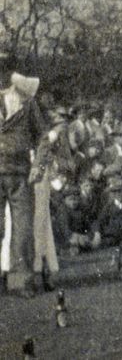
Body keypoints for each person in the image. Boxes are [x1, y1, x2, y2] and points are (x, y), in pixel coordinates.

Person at [0, 72, 49, 298]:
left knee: (23, 229)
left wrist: (38, 166)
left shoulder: (27, 102)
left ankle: (22, 281)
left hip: (20, 174)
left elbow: (43, 136)